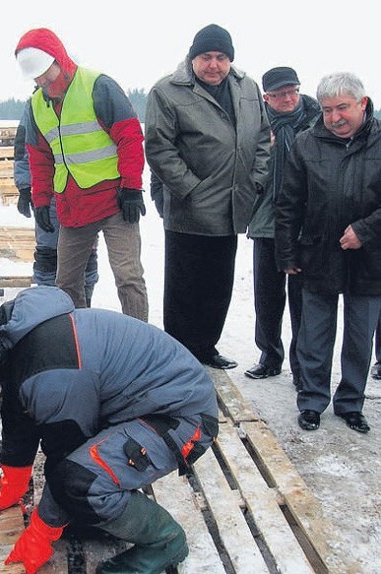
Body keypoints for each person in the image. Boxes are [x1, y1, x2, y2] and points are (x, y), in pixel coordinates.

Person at [0, 286, 219, 574]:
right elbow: (19, 414)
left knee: (79, 482)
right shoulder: (24, 343)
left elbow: (67, 460)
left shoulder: (50, 370)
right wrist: (13, 485)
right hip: (138, 408)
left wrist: (41, 531)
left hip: (180, 418)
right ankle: (101, 507)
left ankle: (165, 541)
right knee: (74, 489)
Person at [145, 23, 271, 369]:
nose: (213, 65)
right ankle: (179, 354)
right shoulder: (168, 91)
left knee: (219, 285)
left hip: (232, 207)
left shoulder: (247, 88)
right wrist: (190, 188)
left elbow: (262, 138)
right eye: (206, 57)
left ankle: (206, 347)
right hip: (189, 210)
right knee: (184, 288)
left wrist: (256, 181)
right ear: (192, 58)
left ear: (230, 59)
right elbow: (159, 149)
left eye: (221, 57)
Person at [14, 28, 149, 322]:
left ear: (59, 61)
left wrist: (131, 188)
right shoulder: (36, 106)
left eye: (46, 75)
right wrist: (40, 200)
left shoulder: (97, 86)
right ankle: (80, 340)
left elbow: (129, 136)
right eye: (35, 78)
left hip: (115, 201)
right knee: (66, 283)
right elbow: (39, 158)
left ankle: (141, 342)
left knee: (128, 277)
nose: (42, 82)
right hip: (73, 205)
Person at [275, 72, 381, 434]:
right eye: (327, 109)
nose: (335, 117)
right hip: (318, 253)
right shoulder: (307, 144)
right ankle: (312, 400)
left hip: (371, 258)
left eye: (343, 108)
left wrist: (365, 230)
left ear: (362, 104)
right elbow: (289, 202)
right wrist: (286, 252)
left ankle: (351, 402)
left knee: (358, 336)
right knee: (314, 335)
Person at [245, 67, 321, 386]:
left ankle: (302, 365)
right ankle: (269, 355)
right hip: (265, 222)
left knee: (303, 299)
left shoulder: (318, 123)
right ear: (267, 98)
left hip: (305, 227)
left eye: (292, 91)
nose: (287, 99)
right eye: (278, 94)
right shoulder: (256, 127)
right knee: (267, 296)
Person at [14, 109, 99, 305]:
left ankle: (84, 307)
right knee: (48, 254)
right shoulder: (34, 107)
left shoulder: (83, 98)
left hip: (84, 191)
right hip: (48, 193)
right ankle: (49, 309)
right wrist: (25, 187)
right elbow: (23, 147)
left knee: (86, 252)